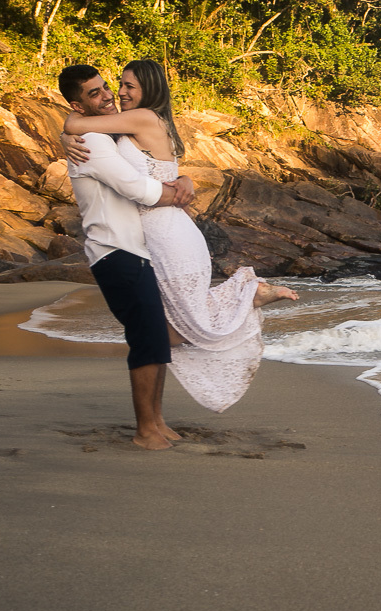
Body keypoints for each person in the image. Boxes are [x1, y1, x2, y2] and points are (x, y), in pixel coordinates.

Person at [60, 60, 298, 415]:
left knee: (174, 324)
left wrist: (67, 132)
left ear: (148, 90)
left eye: (126, 87)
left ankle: (248, 296)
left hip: (168, 235)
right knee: (168, 323)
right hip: (157, 236)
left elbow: (77, 125)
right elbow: (142, 163)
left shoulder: (140, 118)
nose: (117, 93)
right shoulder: (128, 126)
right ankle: (246, 297)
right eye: (113, 87)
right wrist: (182, 181)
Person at [57, 64, 195, 451]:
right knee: (147, 337)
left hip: (133, 250)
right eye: (96, 93)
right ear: (77, 104)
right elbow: (139, 189)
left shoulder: (104, 133)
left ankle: (156, 419)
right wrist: (182, 194)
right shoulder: (95, 142)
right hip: (116, 251)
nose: (108, 96)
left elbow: (148, 162)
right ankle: (145, 429)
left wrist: (185, 179)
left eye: (108, 88)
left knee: (154, 338)